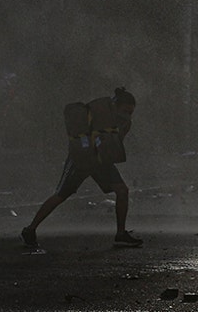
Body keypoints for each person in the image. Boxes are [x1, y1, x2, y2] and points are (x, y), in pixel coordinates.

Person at [22, 87, 142, 250]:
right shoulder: (98, 113)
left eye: (131, 112)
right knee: (61, 195)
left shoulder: (123, 123)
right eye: (126, 111)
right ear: (115, 106)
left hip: (101, 161)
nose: (128, 115)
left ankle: (120, 234)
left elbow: (115, 144)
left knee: (122, 191)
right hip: (82, 159)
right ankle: (30, 229)